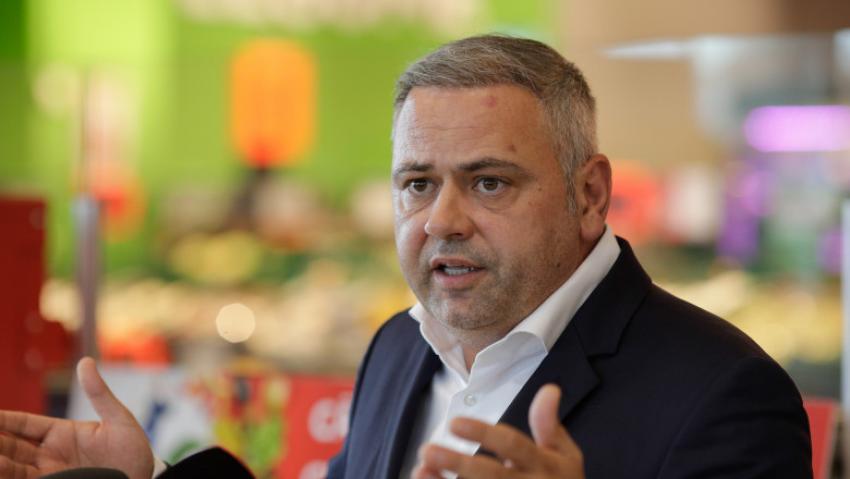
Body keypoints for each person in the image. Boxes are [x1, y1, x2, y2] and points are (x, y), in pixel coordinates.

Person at [0, 35, 812, 479]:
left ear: (590, 193)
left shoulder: (726, 396)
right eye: (417, 184)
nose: (442, 220)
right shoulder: (399, 345)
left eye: (489, 182)